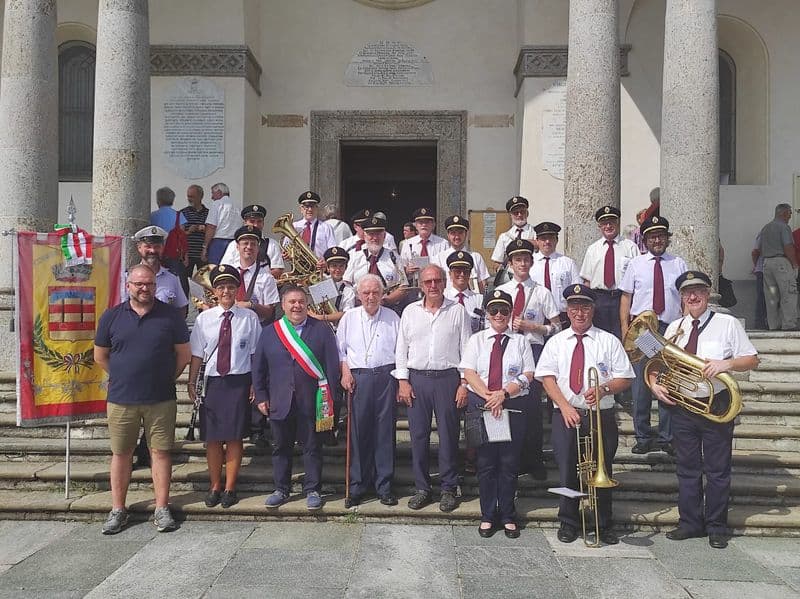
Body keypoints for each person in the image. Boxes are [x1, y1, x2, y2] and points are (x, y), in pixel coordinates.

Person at [650, 271, 759, 549]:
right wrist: (653, 384)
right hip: (683, 405)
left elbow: (752, 359)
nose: (693, 296)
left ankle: (716, 526)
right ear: (682, 297)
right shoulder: (675, 326)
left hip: (716, 403)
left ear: (708, 293)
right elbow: (654, 360)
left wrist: (727, 365)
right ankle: (690, 523)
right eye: (687, 293)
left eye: (698, 290)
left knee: (717, 469)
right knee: (687, 468)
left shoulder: (727, 323)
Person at [94, 264, 191, 534]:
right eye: (138, 284)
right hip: (122, 398)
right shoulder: (112, 317)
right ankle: (118, 509)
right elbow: (100, 356)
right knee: (121, 454)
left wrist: (165, 377)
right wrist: (124, 375)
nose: (144, 288)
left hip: (160, 398)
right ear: (128, 286)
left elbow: (183, 355)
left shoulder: (170, 316)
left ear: (155, 286)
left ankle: (161, 508)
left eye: (148, 283)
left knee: (160, 452)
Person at [536, 284, 635, 545]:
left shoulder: (608, 340)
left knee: (603, 469)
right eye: (574, 307)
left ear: (593, 309)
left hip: (599, 415)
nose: (579, 313)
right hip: (566, 414)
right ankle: (568, 521)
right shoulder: (556, 342)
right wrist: (565, 406)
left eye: (585, 307)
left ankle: (603, 522)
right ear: (567, 310)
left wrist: (603, 388)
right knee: (568, 470)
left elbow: (625, 378)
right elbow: (547, 378)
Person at [252, 285, 340, 511]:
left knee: (312, 447)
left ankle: (312, 489)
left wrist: (333, 401)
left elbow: (331, 367)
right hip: (280, 400)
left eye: (301, 301)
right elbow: (259, 367)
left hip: (312, 400)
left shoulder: (321, 330)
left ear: (306, 304)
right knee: (281, 447)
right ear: (283, 305)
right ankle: (281, 489)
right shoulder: (271, 331)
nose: (297, 306)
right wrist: (261, 395)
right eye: (292, 302)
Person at [395, 264, 471, 512]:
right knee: (418, 436)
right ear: (421, 284)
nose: (433, 286)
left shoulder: (458, 310)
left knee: (449, 435)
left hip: (448, 379)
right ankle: (422, 488)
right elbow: (401, 348)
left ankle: (449, 488)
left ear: (445, 282)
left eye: (437, 280)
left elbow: (467, 349)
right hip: (417, 379)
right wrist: (403, 381)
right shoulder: (409, 311)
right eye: (428, 281)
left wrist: (464, 384)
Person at [461, 290, 535, 539]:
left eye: (504, 310)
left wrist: (503, 393)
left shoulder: (520, 341)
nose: (499, 315)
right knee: (485, 464)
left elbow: (528, 375)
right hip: (483, 407)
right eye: (494, 310)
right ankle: (487, 514)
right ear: (487, 314)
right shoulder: (477, 340)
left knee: (508, 464)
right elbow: (469, 373)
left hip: (512, 407)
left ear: (510, 313)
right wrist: (490, 397)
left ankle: (507, 514)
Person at [187, 266, 262, 509]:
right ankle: (214, 485)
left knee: (234, 437)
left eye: (231, 287)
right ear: (214, 292)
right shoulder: (204, 319)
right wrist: (191, 381)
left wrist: (255, 384)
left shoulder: (249, 318)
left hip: (238, 381)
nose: (226, 291)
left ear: (237, 289)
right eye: (221, 287)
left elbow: (255, 355)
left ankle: (230, 486)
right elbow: (197, 354)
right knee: (212, 438)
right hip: (213, 383)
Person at [619, 215, 687, 455]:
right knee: (642, 383)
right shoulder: (636, 264)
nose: (657, 240)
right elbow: (626, 298)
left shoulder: (678, 263)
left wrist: (686, 327)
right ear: (645, 240)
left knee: (668, 381)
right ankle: (643, 435)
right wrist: (625, 329)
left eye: (660, 236)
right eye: (652, 236)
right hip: (644, 331)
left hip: (670, 329)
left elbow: (685, 297)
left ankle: (667, 436)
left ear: (666, 238)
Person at [496, 239, 561, 480]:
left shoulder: (542, 291)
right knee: (509, 403)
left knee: (532, 407)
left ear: (532, 262)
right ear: (510, 264)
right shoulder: (502, 292)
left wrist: (534, 326)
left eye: (526, 259)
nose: (522, 263)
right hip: (509, 350)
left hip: (534, 351)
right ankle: (511, 458)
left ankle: (534, 459)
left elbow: (557, 326)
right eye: (517, 260)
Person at [337, 274, 401, 507]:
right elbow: (341, 351)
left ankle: (384, 486)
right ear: (358, 295)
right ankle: (357, 486)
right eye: (366, 293)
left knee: (384, 433)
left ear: (383, 294)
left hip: (386, 376)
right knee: (358, 433)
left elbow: (401, 351)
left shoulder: (393, 317)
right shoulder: (349, 318)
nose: (371, 297)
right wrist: (345, 373)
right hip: (358, 378)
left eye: (375, 292)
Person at [580, 206, 639, 339]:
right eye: (604, 223)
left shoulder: (630, 247)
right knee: (599, 337)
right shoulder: (592, 249)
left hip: (622, 298)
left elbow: (638, 280)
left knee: (624, 336)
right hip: (599, 299)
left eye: (611, 222)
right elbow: (587, 282)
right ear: (599, 226)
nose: (608, 226)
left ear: (618, 223)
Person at [342, 215, 409, 311]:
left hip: (387, 309)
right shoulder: (355, 257)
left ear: (384, 235)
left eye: (378, 234)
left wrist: (387, 300)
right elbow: (346, 283)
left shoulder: (393, 257)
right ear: (364, 236)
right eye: (371, 234)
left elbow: (403, 287)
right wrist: (357, 300)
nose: (374, 238)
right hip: (359, 308)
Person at [530, 222, 580, 328]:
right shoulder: (529, 263)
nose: (547, 242)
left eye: (551, 238)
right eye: (543, 238)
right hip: (536, 318)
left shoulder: (568, 263)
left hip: (563, 318)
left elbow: (577, 290)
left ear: (557, 240)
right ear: (537, 241)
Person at [757, 203, 798, 330]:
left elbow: (759, 248)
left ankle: (773, 325)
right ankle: (788, 324)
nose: (790, 216)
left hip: (767, 263)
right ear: (784, 213)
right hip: (781, 263)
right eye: (789, 213)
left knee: (771, 297)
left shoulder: (765, 228)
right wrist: (794, 264)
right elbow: (788, 247)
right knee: (788, 293)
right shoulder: (784, 227)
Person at [220, 204, 286, 279]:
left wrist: (255, 279)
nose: (256, 225)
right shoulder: (233, 244)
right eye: (252, 221)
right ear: (245, 223)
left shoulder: (272, 244)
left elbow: (278, 270)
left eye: (259, 221)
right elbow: (225, 268)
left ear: (263, 223)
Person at [432, 215, 490, 292]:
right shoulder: (439, 258)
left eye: (460, 233)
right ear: (448, 235)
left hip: (471, 301)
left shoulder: (476, 257)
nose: (457, 237)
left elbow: (482, 284)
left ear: (466, 234)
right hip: (448, 301)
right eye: (453, 233)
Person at [309, 246, 356, 330]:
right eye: (334, 266)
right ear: (328, 267)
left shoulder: (348, 290)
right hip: (316, 327)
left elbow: (346, 314)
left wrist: (321, 317)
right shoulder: (320, 280)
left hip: (337, 329)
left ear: (346, 268)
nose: (337, 270)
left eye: (341, 266)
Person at [400, 208, 449, 285]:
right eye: (420, 222)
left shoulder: (443, 243)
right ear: (415, 225)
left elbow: (447, 268)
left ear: (433, 225)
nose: (424, 225)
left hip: (435, 284)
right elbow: (401, 269)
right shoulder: (407, 244)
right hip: (414, 285)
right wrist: (407, 270)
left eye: (427, 222)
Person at [443, 251, 484, 334]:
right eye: (457, 271)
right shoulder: (443, 298)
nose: (462, 274)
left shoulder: (479, 299)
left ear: (469, 274)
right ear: (450, 274)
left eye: (465, 272)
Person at [490, 196, 536, 268]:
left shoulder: (536, 233)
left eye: (522, 212)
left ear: (527, 213)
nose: (519, 215)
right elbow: (496, 263)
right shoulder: (504, 237)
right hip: (511, 277)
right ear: (510, 215)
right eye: (516, 213)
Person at [292, 191, 337, 260]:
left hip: (319, 267)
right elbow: (286, 247)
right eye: (306, 207)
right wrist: (286, 254)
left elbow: (332, 250)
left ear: (317, 208)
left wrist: (324, 262)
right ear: (301, 209)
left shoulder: (326, 227)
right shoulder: (294, 226)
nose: (310, 210)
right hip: (297, 268)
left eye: (312, 206)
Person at [202, 182, 239, 266]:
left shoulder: (217, 204)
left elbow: (211, 226)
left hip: (218, 244)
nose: (212, 197)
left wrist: (205, 247)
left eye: (213, 193)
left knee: (215, 270)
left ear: (219, 192)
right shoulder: (238, 206)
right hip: (235, 243)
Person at [181, 185, 208, 276]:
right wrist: (189, 231)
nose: (189, 199)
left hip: (203, 254)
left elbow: (213, 232)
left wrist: (205, 229)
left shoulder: (209, 213)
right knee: (185, 282)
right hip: (187, 254)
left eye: (192, 196)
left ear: (200, 196)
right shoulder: (183, 213)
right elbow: (179, 235)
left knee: (205, 282)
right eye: (188, 196)